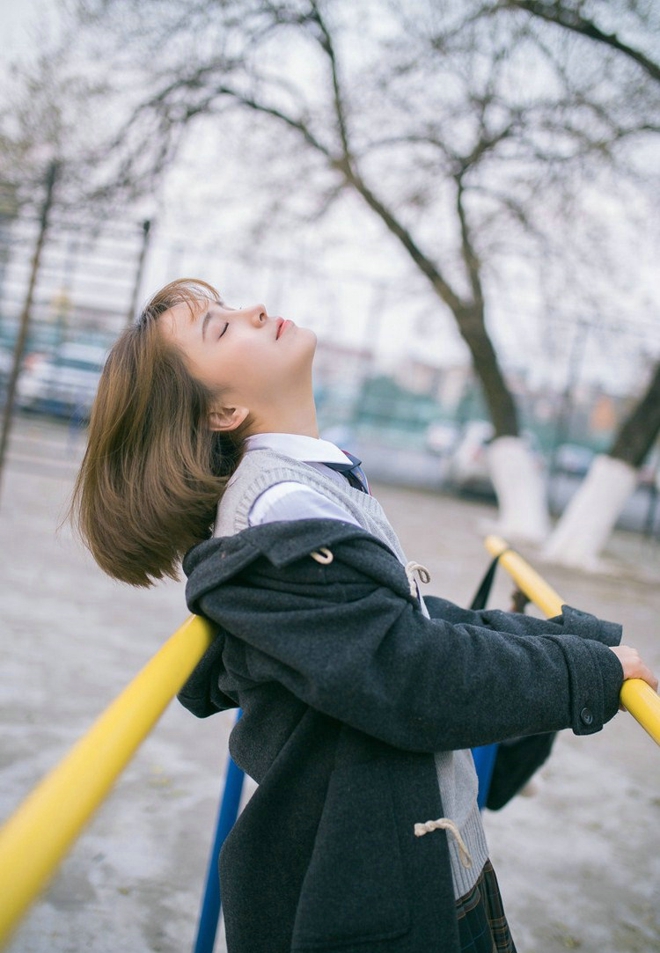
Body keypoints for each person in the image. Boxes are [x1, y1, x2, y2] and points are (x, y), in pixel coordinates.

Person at [72, 278, 658, 953]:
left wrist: (572, 641)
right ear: (223, 408)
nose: (254, 309)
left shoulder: (305, 488)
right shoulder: (280, 515)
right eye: (222, 328)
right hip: (392, 902)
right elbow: (414, 673)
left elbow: (409, 627)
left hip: (427, 865)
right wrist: (584, 672)